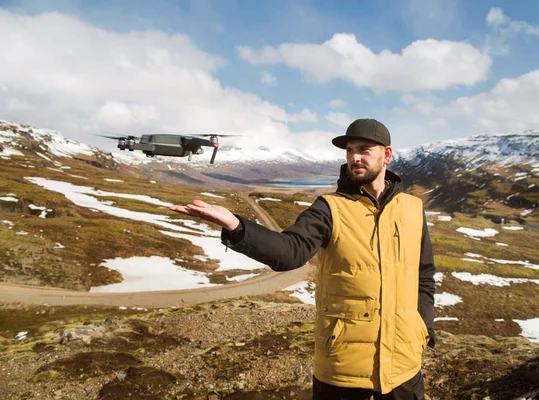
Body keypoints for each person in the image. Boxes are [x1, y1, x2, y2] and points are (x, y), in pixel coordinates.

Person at [170, 118, 436, 400]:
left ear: (387, 154)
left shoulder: (412, 208)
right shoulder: (330, 208)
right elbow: (289, 251)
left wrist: (423, 328)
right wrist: (236, 226)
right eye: (349, 150)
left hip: (404, 368)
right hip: (343, 368)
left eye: (364, 149)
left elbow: (424, 274)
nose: (354, 157)